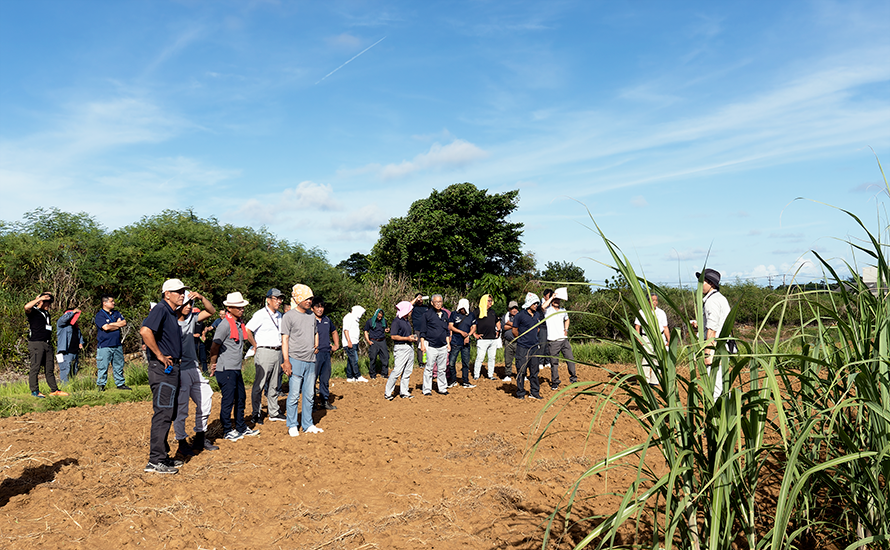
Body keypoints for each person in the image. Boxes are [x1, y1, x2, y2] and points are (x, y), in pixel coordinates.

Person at [139, 278, 188, 474]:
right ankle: (155, 460)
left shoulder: (170, 312)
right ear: (167, 293)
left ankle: (163, 457)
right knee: (163, 413)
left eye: (183, 291)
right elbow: (145, 330)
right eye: (178, 291)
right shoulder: (160, 309)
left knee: (169, 412)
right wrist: (159, 355)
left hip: (171, 369)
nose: (182, 294)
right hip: (162, 370)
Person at [209, 292, 259, 442]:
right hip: (226, 369)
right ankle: (227, 430)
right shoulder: (224, 325)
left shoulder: (239, 324)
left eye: (242, 307)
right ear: (229, 308)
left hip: (236, 368)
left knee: (241, 398)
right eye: (238, 307)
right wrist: (213, 363)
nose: (242, 309)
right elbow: (214, 346)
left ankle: (241, 426)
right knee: (228, 400)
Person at [173, 291, 218, 456]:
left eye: (190, 304)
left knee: (206, 398)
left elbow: (211, 311)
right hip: (181, 370)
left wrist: (201, 298)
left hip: (194, 367)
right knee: (182, 408)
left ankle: (200, 436)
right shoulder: (171, 322)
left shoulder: (191, 319)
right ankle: (181, 441)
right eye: (185, 304)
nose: (188, 307)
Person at [281, 284, 323, 436]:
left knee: (309, 394)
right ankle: (292, 424)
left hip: (311, 360)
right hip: (295, 359)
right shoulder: (289, 316)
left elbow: (314, 333)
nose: (309, 301)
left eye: (311, 298)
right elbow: (284, 339)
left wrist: (315, 345)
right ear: (298, 298)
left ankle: (308, 423)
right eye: (307, 298)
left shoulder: (311, 316)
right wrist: (286, 360)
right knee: (293, 395)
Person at [245, 288, 286, 424]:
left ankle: (274, 412)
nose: (279, 301)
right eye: (276, 298)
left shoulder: (280, 316)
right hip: (264, 351)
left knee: (274, 384)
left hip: (278, 351)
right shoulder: (260, 314)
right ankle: (256, 413)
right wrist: (255, 344)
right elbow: (247, 329)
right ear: (268, 300)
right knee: (260, 384)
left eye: (280, 299)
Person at [691, 269, 733, 400]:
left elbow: (712, 329)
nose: (699, 285)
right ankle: (727, 413)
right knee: (721, 383)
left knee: (715, 386)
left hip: (715, 346)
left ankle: (719, 416)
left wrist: (707, 352)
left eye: (702, 281)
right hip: (722, 345)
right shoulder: (719, 299)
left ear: (711, 284)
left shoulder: (711, 301)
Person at [24, 292, 67, 398]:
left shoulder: (47, 313)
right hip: (36, 343)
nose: (49, 305)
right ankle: (34, 391)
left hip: (47, 343)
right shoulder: (33, 311)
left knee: (49, 368)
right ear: (41, 302)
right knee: (35, 367)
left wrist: (46, 296)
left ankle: (54, 390)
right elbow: (26, 307)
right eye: (47, 302)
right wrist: (40, 298)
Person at [634, 293, 671, 386]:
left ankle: (654, 380)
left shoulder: (661, 313)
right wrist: (638, 339)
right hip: (646, 338)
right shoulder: (642, 312)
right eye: (652, 300)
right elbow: (637, 326)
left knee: (658, 359)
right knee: (646, 359)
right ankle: (644, 380)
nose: (655, 302)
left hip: (660, 338)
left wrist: (669, 339)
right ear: (648, 301)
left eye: (656, 300)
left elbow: (665, 327)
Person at [95, 295, 130, 391]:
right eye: (111, 301)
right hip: (105, 345)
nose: (114, 303)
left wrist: (111, 325)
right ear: (104, 303)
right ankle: (101, 386)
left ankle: (120, 384)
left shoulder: (116, 313)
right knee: (103, 367)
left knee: (119, 365)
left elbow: (123, 323)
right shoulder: (100, 315)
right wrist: (116, 325)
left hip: (117, 344)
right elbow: (105, 327)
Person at [512, 292, 543, 400]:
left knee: (534, 371)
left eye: (537, 303)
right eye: (534, 303)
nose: (536, 305)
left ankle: (534, 392)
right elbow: (514, 330)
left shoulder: (537, 315)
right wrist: (522, 339)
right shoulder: (520, 315)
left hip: (534, 348)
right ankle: (520, 393)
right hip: (522, 348)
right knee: (521, 371)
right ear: (529, 303)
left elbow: (537, 328)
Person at [544, 293, 577, 390]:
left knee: (570, 359)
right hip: (553, 341)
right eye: (555, 300)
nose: (557, 301)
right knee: (554, 363)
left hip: (564, 340)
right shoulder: (548, 311)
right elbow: (543, 306)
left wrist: (566, 329)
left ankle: (573, 379)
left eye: (558, 300)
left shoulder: (563, 310)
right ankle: (555, 381)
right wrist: (552, 297)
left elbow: (567, 320)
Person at [384, 300, 417, 400]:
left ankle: (404, 391)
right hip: (401, 348)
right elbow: (393, 336)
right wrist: (407, 338)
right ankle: (388, 392)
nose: (411, 312)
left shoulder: (406, 321)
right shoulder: (397, 321)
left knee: (407, 371)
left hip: (409, 346)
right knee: (397, 371)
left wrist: (411, 338)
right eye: (410, 310)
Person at [311, 297, 340, 411]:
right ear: (313, 308)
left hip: (326, 353)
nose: (320, 309)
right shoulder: (309, 320)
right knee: (312, 379)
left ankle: (324, 401)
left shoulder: (327, 319)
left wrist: (336, 345)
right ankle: (312, 403)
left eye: (321, 307)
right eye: (317, 307)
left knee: (325, 378)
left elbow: (334, 331)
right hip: (314, 354)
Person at [419, 294, 450, 396]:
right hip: (431, 346)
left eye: (440, 302)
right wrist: (423, 346)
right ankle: (427, 389)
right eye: (436, 302)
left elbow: (447, 331)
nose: (438, 304)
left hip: (443, 346)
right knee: (429, 368)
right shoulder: (426, 315)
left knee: (442, 369)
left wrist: (448, 344)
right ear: (432, 303)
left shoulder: (445, 314)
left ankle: (442, 388)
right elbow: (422, 332)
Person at [447, 298, 477, 388]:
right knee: (451, 363)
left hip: (466, 343)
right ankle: (453, 379)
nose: (462, 310)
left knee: (465, 363)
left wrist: (468, 335)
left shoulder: (471, 315)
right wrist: (461, 332)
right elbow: (450, 327)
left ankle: (465, 381)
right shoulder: (453, 314)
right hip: (456, 341)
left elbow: (474, 327)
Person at [473, 294, 501, 381]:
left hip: (493, 338)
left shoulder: (492, 312)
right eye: (488, 301)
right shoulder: (477, 312)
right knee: (480, 358)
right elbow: (471, 323)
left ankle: (490, 375)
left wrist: (498, 330)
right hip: (482, 339)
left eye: (491, 301)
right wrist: (474, 334)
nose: (490, 302)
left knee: (492, 357)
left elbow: (497, 321)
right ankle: (476, 375)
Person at [56, 304, 83, 383]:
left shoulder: (76, 326)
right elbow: (63, 319)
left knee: (74, 370)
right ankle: (65, 387)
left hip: (75, 352)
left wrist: (81, 343)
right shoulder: (62, 325)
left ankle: (72, 386)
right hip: (65, 352)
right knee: (65, 370)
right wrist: (72, 312)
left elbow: (79, 335)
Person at [342, 305, 367, 382]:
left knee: (351, 360)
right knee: (354, 359)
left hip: (354, 342)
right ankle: (358, 376)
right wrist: (349, 341)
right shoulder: (348, 318)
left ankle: (350, 377)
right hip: (350, 342)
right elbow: (346, 330)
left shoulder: (355, 319)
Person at [363, 308, 390, 379]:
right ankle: (372, 374)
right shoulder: (370, 321)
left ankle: (384, 373)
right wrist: (368, 341)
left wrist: (387, 329)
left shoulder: (384, 321)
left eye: (381, 317)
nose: (380, 318)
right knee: (373, 358)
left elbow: (386, 328)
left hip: (382, 341)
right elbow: (365, 331)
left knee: (386, 357)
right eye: (378, 317)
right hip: (373, 341)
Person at [501, 301, 520, 382]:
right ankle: (508, 374)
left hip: (519, 341)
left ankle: (521, 374)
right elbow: (504, 327)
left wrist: (510, 324)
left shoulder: (521, 316)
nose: (514, 310)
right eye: (512, 308)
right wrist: (514, 325)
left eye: (516, 308)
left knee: (520, 359)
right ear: (509, 309)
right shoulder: (505, 316)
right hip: (508, 341)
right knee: (508, 359)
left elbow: (521, 326)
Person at [410, 294, 428, 372]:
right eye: (419, 298)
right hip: (417, 329)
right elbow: (408, 305)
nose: (420, 300)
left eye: (421, 298)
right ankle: (421, 362)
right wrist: (416, 299)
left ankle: (427, 360)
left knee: (427, 345)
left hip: (427, 329)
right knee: (420, 346)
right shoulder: (413, 308)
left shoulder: (426, 307)